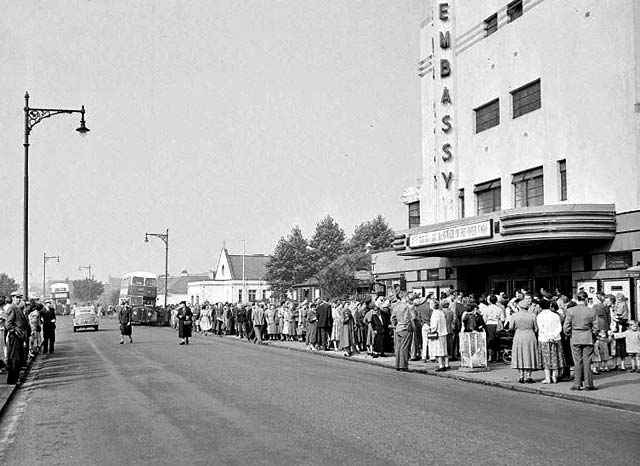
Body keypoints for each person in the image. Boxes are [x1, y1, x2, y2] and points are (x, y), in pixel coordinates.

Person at [563, 291, 597, 390]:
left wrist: (569, 334)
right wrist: (593, 335)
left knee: (577, 362)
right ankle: (588, 384)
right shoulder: (591, 311)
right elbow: (596, 327)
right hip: (587, 337)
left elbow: (566, 327)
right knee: (587, 361)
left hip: (575, 337)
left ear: (577, 299)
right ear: (586, 299)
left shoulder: (570, 311)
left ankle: (577, 384)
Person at [536, 298, 564, 384]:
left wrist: (548, 336)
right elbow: (559, 327)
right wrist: (553, 336)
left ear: (540, 307)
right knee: (555, 357)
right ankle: (554, 377)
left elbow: (541, 328)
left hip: (544, 339)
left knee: (546, 359)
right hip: (556, 339)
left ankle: (547, 378)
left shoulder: (539, 316)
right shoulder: (556, 315)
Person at [511, 300, 539, 383]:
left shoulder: (515, 315)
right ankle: (529, 376)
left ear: (519, 307)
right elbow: (536, 328)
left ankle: (521, 376)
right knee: (529, 354)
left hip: (519, 334)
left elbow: (511, 326)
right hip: (530, 335)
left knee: (520, 354)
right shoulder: (533, 315)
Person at [5, 291, 29, 384]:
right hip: (15, 337)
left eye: (20, 297)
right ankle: (12, 380)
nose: (18, 299)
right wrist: (15, 331)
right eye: (17, 297)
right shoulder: (12, 308)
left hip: (19, 337)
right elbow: (8, 324)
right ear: (13, 298)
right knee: (14, 359)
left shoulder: (17, 308)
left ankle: (15, 378)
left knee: (18, 359)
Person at [390, 293, 414, 371]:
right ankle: (403, 366)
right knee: (405, 347)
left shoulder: (396, 307)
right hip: (405, 328)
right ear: (404, 298)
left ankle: (397, 365)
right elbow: (408, 318)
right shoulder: (406, 307)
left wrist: (395, 324)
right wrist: (409, 325)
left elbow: (393, 318)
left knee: (398, 347)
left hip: (398, 328)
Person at [428, 301, 449, 371]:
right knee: (444, 349)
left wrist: (431, 329)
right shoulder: (441, 312)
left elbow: (434, 324)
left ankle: (441, 366)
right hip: (443, 332)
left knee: (439, 349)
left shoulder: (434, 313)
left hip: (438, 333)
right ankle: (447, 364)